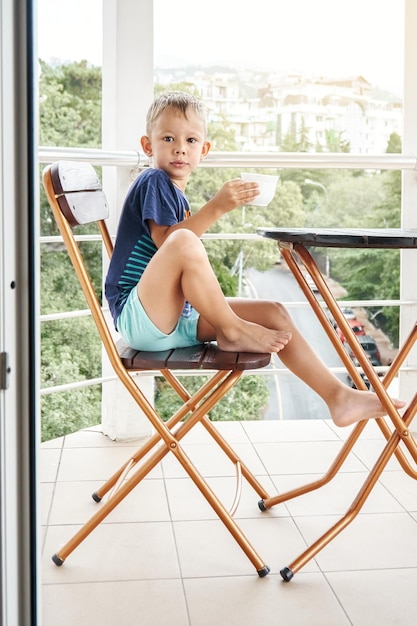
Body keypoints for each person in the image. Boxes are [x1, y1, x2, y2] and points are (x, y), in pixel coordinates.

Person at [105, 91, 404, 427]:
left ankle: (339, 397)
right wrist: (217, 206)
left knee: (273, 313)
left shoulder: (175, 192)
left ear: (204, 151)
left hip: (176, 320)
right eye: (168, 138)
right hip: (139, 318)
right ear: (148, 145)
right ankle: (231, 328)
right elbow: (169, 242)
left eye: (190, 140)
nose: (180, 148)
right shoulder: (154, 180)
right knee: (185, 241)